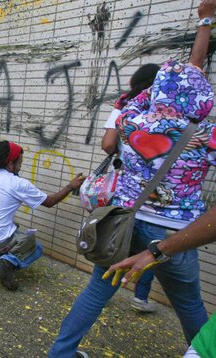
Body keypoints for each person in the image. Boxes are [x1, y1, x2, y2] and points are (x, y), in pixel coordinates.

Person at [49, 2, 216, 356]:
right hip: (173, 233)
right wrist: (202, 42)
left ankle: (61, 353)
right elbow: (192, 84)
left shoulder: (133, 122)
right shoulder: (209, 135)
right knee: (188, 304)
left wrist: (164, 78)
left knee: (96, 291)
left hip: (124, 220)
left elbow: (134, 100)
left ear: (156, 92)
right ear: (202, 100)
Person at [0, 140, 84, 290]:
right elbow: (49, 202)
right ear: (10, 164)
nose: (20, 166)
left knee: (9, 226)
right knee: (37, 248)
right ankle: (7, 263)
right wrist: (70, 186)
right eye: (20, 162)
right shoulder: (18, 183)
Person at [104, 205, 216, 358]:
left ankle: (140, 297)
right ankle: (140, 297)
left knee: (101, 287)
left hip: (129, 220)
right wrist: (157, 251)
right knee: (189, 304)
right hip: (171, 225)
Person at [101, 63, 161, 313]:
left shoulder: (123, 106)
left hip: (125, 190)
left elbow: (107, 144)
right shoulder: (167, 109)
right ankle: (141, 296)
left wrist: (126, 151)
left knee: (120, 237)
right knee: (155, 249)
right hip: (159, 197)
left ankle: (106, 279)